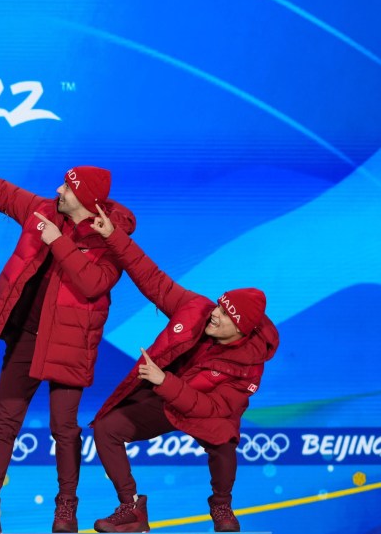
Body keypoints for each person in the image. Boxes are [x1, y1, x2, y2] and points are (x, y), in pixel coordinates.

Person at [0, 147, 136, 534]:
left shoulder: (109, 240)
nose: (58, 190)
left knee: (64, 429)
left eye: (67, 187)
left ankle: (66, 509)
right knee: (4, 424)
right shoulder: (43, 211)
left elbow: (93, 284)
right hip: (27, 339)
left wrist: (58, 243)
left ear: (84, 198)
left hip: (69, 344)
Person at [87, 205, 279, 533]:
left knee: (223, 441)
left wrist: (164, 382)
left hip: (205, 409)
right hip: (166, 397)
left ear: (240, 331)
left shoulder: (249, 365)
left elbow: (212, 407)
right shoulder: (196, 309)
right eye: (219, 305)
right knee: (106, 429)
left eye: (225, 315)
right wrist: (113, 236)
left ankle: (221, 506)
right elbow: (153, 279)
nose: (215, 314)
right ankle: (131, 508)